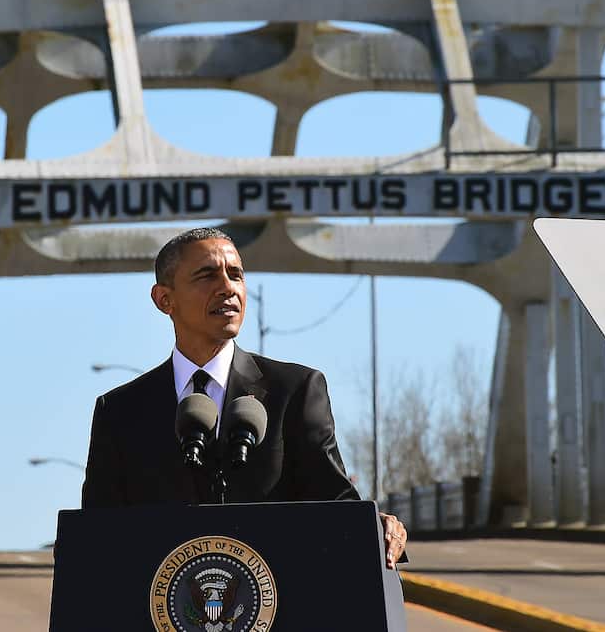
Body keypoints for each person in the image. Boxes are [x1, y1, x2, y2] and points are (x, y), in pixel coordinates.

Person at [81, 227, 408, 567]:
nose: (227, 288)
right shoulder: (120, 412)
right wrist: (81, 548)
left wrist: (374, 525)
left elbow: (334, 503)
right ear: (165, 299)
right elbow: (100, 527)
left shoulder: (295, 390)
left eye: (235, 274)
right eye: (207, 275)